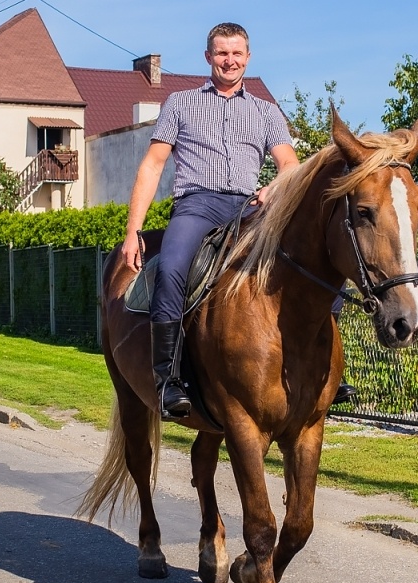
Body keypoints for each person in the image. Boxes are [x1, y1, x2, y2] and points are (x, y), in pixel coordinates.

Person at [120, 22, 298, 418]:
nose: (229, 60)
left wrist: (273, 188)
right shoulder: (180, 103)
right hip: (196, 205)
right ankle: (168, 380)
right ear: (208, 57)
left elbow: (289, 164)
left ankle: (324, 371)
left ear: (247, 58)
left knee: (311, 250)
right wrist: (133, 231)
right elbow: (152, 166)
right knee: (170, 268)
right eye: (222, 53)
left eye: (237, 53)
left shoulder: (266, 111)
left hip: (250, 208)